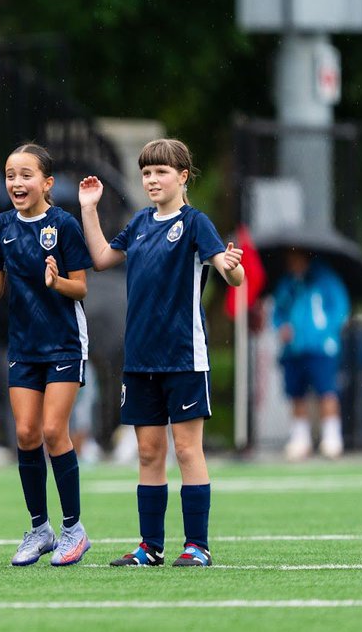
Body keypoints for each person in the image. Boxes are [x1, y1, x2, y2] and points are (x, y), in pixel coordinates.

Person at [78, 139, 244, 567]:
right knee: (149, 452)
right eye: (147, 173)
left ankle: (198, 546)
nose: (152, 179)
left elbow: (230, 273)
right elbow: (99, 258)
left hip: (184, 357)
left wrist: (233, 265)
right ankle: (150, 546)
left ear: (183, 176)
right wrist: (89, 208)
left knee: (187, 450)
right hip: (140, 360)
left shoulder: (195, 223)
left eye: (161, 172)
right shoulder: (139, 223)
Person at [0, 143, 92, 566]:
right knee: (25, 434)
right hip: (23, 346)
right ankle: (39, 529)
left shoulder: (63, 224)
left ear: (46, 183)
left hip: (64, 342)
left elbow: (80, 286)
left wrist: (56, 282)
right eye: (11, 175)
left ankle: (73, 529)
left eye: (26, 175)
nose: (16, 182)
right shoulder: (1, 227)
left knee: (52, 431)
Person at [273, 250, 350, 460]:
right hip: (294, 349)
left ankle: (332, 439)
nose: (292, 263)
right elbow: (278, 312)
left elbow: (340, 309)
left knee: (327, 391)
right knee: (296, 394)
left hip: (321, 348)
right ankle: (301, 440)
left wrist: (325, 333)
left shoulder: (326, 280)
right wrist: (282, 327)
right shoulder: (287, 284)